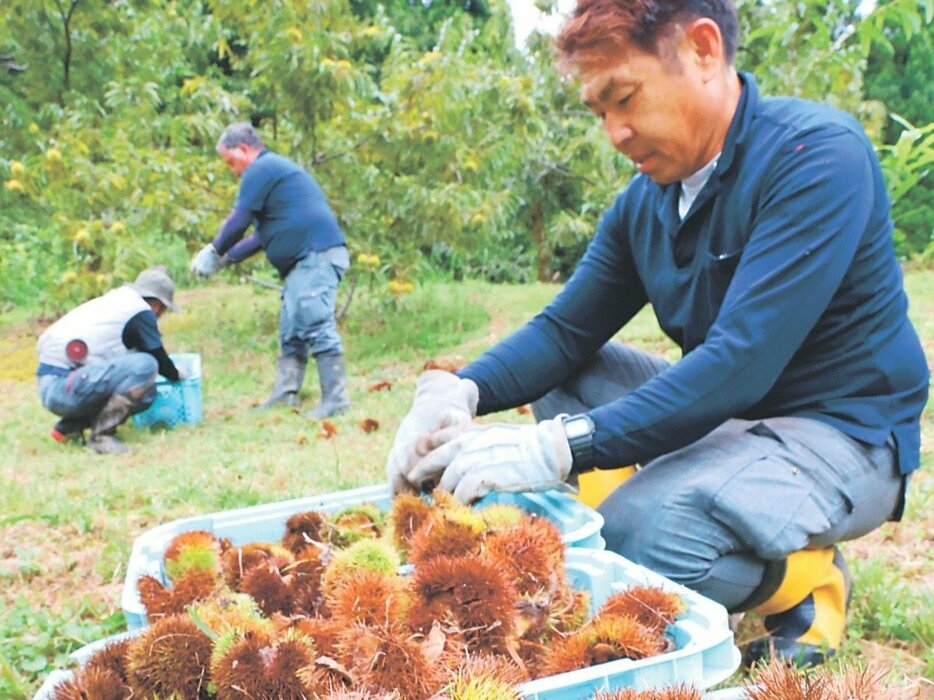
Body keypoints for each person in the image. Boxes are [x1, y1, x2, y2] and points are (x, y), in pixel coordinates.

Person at [386, 0, 929, 668]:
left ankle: (807, 580)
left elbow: (741, 360)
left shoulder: (814, 159)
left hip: (841, 433)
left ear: (702, 50)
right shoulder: (647, 202)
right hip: (731, 417)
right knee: (567, 374)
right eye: (599, 113)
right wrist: (456, 392)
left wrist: (557, 448)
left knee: (642, 538)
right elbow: (563, 332)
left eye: (624, 98)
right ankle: (646, 529)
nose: (614, 132)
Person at [190, 122, 351, 419]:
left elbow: (239, 221)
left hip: (316, 256)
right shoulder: (273, 179)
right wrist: (226, 259)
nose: (232, 169)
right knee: (292, 330)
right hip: (304, 262)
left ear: (245, 149)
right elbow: (260, 237)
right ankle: (285, 395)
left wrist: (214, 250)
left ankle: (336, 400)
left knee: (315, 324)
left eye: (231, 161)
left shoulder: (261, 169)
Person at [36, 267, 184, 454]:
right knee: (146, 365)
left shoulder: (119, 302)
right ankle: (101, 437)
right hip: (63, 386)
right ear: (157, 304)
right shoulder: (140, 311)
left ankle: (68, 428)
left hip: (53, 385)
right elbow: (157, 357)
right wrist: (177, 375)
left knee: (145, 391)